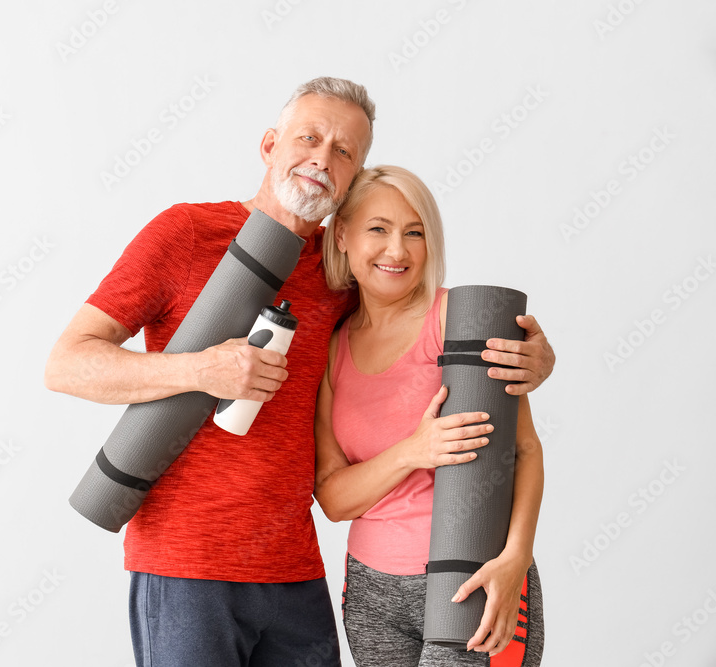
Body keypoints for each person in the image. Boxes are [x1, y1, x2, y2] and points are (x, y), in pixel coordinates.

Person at [45, 79, 554, 666]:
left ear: (352, 179)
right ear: (269, 145)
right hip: (187, 566)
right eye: (310, 137)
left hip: (295, 574)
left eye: (344, 152)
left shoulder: (341, 272)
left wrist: (531, 358)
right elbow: (67, 364)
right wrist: (200, 369)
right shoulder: (184, 235)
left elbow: (411, 326)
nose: (322, 159)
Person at [314, 165, 546, 667]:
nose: (397, 250)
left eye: (415, 232)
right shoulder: (332, 350)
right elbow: (333, 498)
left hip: (473, 578)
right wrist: (412, 451)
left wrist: (515, 560)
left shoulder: (456, 320)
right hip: (372, 594)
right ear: (343, 237)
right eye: (379, 228)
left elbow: (523, 449)